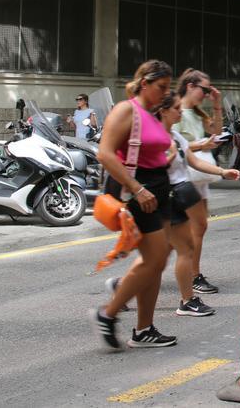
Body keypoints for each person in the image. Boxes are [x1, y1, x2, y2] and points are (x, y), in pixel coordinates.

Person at [108, 91, 240, 318]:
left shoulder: (175, 137)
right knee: (177, 251)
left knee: (167, 253)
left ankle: (123, 287)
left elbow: (193, 160)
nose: (181, 112)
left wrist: (222, 171)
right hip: (165, 199)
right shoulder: (156, 139)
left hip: (178, 196)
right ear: (163, 111)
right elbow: (151, 169)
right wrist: (167, 158)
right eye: (177, 109)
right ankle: (185, 301)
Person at [91, 60, 177, 350]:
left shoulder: (152, 114)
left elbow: (153, 152)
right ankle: (108, 313)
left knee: (157, 261)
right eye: (161, 87)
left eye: (168, 88)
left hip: (158, 189)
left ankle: (144, 329)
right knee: (154, 260)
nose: (165, 93)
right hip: (140, 191)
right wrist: (137, 189)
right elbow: (105, 153)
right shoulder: (127, 110)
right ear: (144, 83)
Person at [176, 68, 223, 296]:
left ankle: (127, 283)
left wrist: (217, 104)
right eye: (204, 89)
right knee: (194, 228)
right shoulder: (175, 110)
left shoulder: (197, 112)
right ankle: (193, 276)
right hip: (184, 174)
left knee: (187, 230)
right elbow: (173, 144)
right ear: (190, 86)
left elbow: (217, 130)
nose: (206, 93)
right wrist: (200, 146)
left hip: (199, 175)